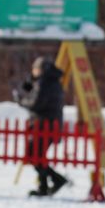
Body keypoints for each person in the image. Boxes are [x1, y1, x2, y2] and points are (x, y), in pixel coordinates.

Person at [13, 56, 69, 197]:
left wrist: (20, 100)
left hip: (43, 124)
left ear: (42, 70)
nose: (34, 71)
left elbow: (36, 103)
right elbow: (34, 93)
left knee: (34, 155)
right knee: (38, 156)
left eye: (35, 68)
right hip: (49, 124)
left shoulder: (44, 83)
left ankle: (56, 180)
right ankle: (45, 185)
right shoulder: (52, 81)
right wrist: (31, 82)